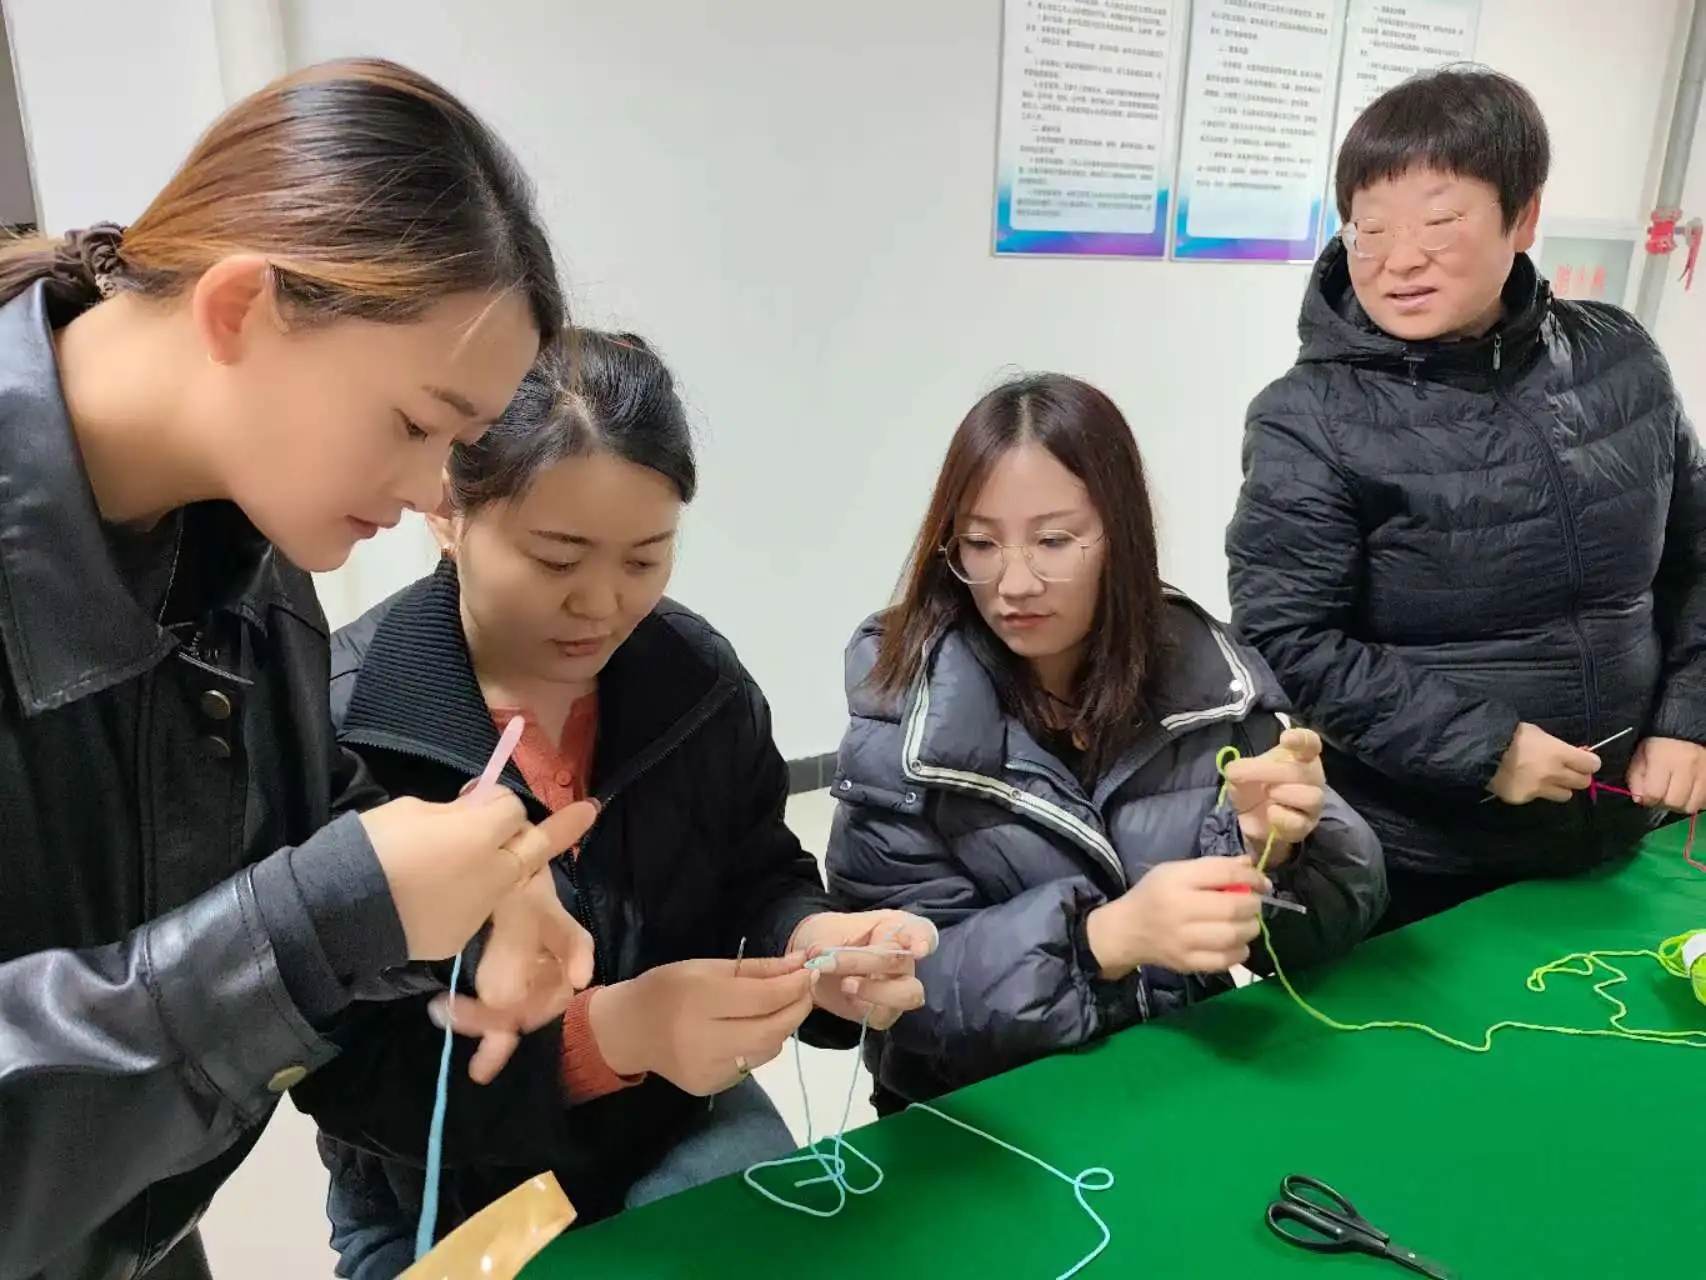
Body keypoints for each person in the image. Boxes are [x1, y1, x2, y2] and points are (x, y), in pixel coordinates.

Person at [0, 59, 603, 1280]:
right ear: (240, 308)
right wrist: (320, 920)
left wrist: (460, 883)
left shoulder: (248, 557)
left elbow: (283, 827)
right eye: (414, 423)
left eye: (458, 443)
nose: (432, 491)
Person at [294, 331, 936, 1278]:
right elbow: (344, 1074)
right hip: (445, 1190)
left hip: (674, 1124)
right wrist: (605, 1038)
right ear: (446, 510)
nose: (601, 605)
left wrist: (816, 944)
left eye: (644, 560)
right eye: (557, 559)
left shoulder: (696, 682)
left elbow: (757, 870)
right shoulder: (343, 723)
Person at [1226, 67, 1706, 933]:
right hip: (1424, 866)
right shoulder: (1309, 419)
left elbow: (1696, 559)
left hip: (1631, 830)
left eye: (1440, 224)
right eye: (1370, 229)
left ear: (1523, 218)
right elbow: (1288, 641)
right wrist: (1487, 749)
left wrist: (1688, 719)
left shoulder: (1622, 357)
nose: (1399, 260)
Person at [824, 373, 1386, 1108]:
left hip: (1179, 1079)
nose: (1013, 584)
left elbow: (1334, 924)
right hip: (988, 1123)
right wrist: (1102, 941)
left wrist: (1274, 851)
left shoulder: (1206, 677)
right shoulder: (902, 718)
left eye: (1053, 540)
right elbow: (901, 1000)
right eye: (981, 543)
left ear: (1121, 535)